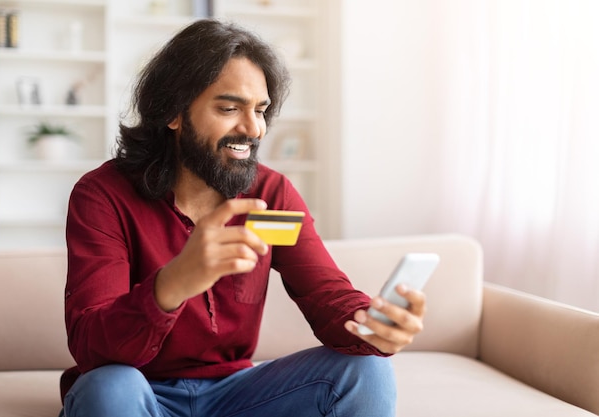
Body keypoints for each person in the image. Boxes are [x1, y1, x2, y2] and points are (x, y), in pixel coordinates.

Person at [60, 19, 426, 417]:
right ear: (173, 113)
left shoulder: (270, 195)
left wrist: (372, 326)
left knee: (366, 369)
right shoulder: (103, 195)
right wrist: (175, 282)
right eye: (229, 108)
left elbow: (326, 295)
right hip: (139, 391)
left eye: (261, 110)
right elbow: (91, 343)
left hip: (238, 396)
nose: (252, 128)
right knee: (109, 387)